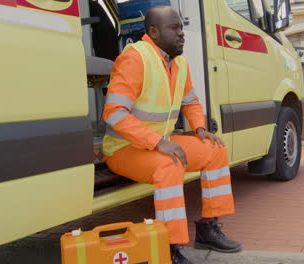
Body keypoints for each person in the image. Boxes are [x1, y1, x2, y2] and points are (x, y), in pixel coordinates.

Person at [102, 5, 242, 264]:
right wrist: (156, 142)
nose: (182, 33)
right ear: (153, 32)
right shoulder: (135, 58)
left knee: (215, 149)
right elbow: (113, 113)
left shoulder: (179, 63)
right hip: (124, 149)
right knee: (170, 164)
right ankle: (169, 247)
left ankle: (207, 228)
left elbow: (191, 102)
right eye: (174, 28)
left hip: (160, 144)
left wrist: (200, 129)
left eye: (182, 27)